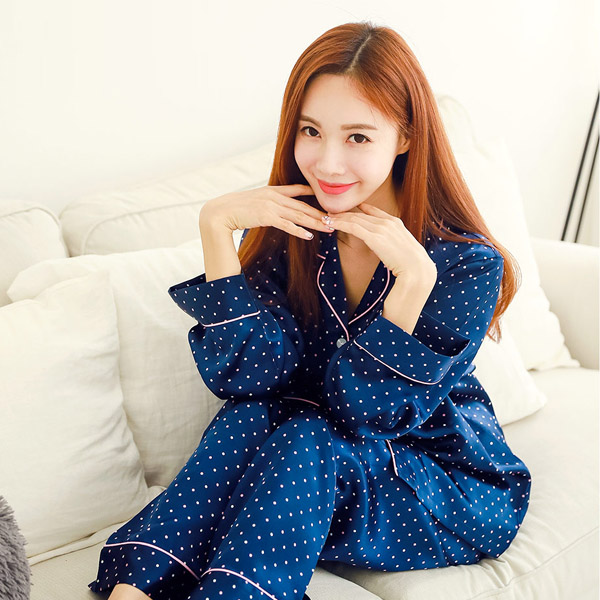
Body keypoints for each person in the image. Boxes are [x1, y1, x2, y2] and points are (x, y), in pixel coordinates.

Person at [88, 21, 531, 600]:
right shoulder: (296, 230)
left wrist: (413, 283)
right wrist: (216, 230)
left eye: (358, 137)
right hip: (311, 474)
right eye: (311, 131)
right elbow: (249, 379)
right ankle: (133, 590)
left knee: (306, 434)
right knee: (250, 418)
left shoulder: (466, 267)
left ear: (404, 137)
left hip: (438, 485)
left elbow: (366, 413)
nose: (327, 163)